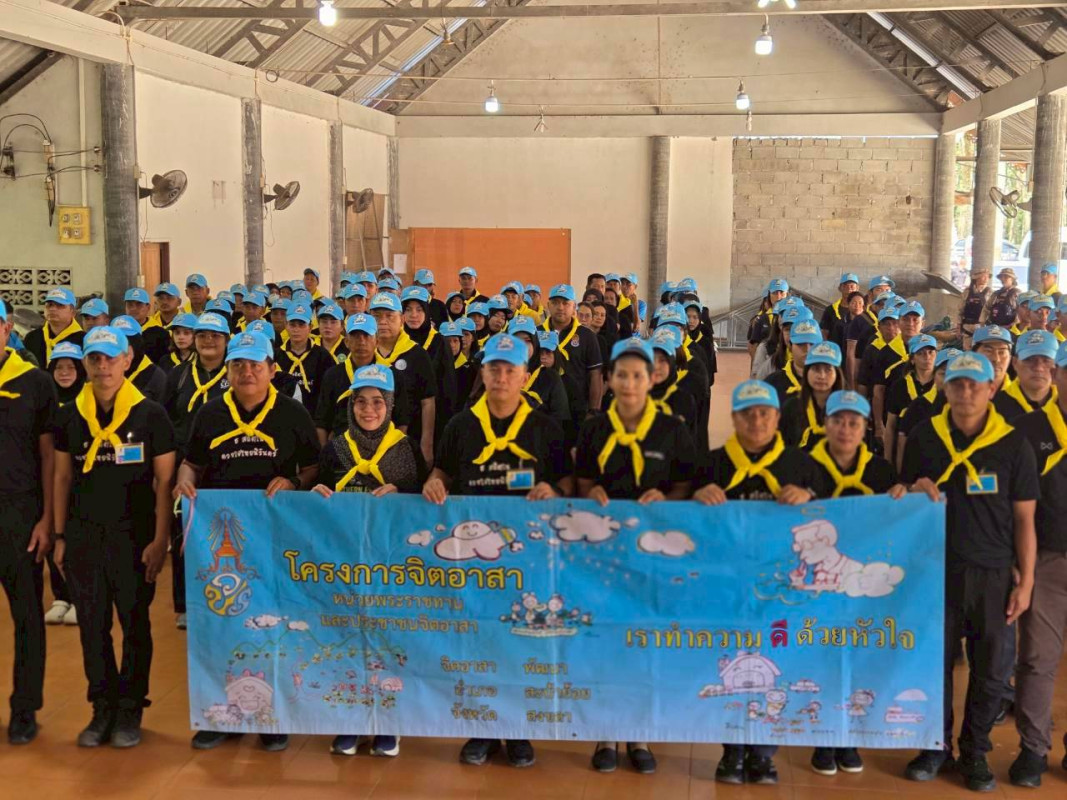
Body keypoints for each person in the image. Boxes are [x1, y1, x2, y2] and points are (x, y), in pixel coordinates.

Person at [423, 333, 572, 770]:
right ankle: (483, 728)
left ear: (525, 376)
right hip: (476, 563)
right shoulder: (460, 426)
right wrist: (434, 483)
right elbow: (442, 471)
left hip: (528, 559)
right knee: (479, 643)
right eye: (494, 369)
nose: (502, 377)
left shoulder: (545, 428)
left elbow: (567, 480)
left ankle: (519, 730)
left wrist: (554, 489)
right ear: (483, 373)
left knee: (522, 645)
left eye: (510, 370)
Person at [893, 351, 1038, 792]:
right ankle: (935, 746)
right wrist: (911, 487)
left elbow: (1025, 519)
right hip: (934, 570)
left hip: (993, 573)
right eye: (957, 383)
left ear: (992, 388)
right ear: (946, 388)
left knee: (990, 669)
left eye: (975, 384)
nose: (966, 391)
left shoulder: (1013, 443)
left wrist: (1027, 579)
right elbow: (902, 493)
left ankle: (975, 750)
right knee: (931, 663)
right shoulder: (925, 436)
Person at [176, 330, 320, 752]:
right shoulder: (210, 413)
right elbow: (190, 464)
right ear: (228, 370)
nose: (247, 372)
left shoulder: (292, 413)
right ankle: (220, 714)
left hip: (275, 536)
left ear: (272, 370)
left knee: (271, 626)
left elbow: (314, 468)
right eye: (238, 364)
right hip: (221, 540)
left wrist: (293, 482)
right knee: (219, 626)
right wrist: (184, 484)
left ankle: (272, 716)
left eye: (256, 364)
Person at [694, 380, 825, 785]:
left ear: (777, 418)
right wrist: (697, 497)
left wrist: (810, 497)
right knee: (732, 665)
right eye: (747, 413)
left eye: (764, 413)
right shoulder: (712, 465)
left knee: (775, 666)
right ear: (733, 419)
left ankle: (764, 754)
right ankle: (731, 751)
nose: (756, 420)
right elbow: (684, 520)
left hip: (781, 590)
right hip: (727, 587)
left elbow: (837, 515)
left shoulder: (801, 464)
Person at [575, 337, 694, 775]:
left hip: (652, 555)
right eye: (621, 375)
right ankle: (606, 733)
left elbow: (687, 485)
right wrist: (593, 492)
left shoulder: (672, 429)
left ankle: (639, 734)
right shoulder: (594, 429)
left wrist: (665, 498)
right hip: (604, 555)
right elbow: (581, 483)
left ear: (651, 379)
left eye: (637, 375)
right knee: (607, 639)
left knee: (644, 641)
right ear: (608, 379)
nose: (629, 383)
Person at [52, 325, 175, 748]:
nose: (102, 366)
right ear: (85, 363)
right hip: (84, 536)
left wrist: (160, 540)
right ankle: (101, 706)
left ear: (127, 360)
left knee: (135, 623)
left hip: (134, 536)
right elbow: (62, 477)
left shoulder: (150, 415)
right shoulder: (71, 415)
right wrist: (59, 536)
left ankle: (130, 708)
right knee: (92, 625)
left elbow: (164, 483)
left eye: (110, 358)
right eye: (94, 358)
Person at [805, 389, 894, 776]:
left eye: (853, 422)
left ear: (866, 427)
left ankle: (849, 738)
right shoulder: (803, 467)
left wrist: (907, 500)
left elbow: (898, 519)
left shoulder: (881, 472)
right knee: (822, 656)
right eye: (837, 420)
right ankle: (823, 737)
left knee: (857, 656)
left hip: (861, 585)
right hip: (819, 585)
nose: (845, 429)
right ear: (825, 425)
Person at [1010, 340, 1067, 786]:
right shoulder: (1027, 427)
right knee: (1036, 656)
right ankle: (1033, 749)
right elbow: (1016, 502)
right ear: (1059, 377)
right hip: (1047, 557)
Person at [0, 301, 56, 745]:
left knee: (27, 615)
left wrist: (46, 518)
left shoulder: (34, 382)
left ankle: (25, 708)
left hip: (18, 515)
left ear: (6, 329)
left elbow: (49, 457)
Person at [161, 312, 231, 630]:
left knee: (224, 533)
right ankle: (186, 603)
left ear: (226, 340)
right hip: (184, 465)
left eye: (215, 336)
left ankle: (228, 594)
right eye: (202, 335)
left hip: (222, 464)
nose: (208, 341)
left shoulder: (236, 372)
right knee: (184, 532)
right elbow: (164, 420)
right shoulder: (177, 376)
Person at [42, 342, 84, 627]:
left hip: (79, 481)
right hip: (49, 479)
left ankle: (80, 597)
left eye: (71, 367)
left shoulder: (88, 401)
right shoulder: (44, 402)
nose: (65, 372)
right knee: (53, 533)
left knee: (76, 539)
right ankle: (61, 596)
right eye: (59, 367)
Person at [370, 293, 437, 467]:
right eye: (376, 316)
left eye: (389, 316)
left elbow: (428, 402)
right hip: (369, 440)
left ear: (401, 319)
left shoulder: (417, 354)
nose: (382, 322)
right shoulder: (364, 353)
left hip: (409, 438)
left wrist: (427, 443)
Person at [542, 284, 604, 422]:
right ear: (548, 305)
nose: (560, 307)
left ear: (574, 306)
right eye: (555, 302)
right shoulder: (536, 332)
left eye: (565, 303)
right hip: (542, 409)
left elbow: (595, 375)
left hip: (577, 410)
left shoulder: (587, 335)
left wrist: (593, 411)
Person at [781, 341, 844, 450]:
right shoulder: (791, 407)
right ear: (806, 372)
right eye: (816, 369)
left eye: (828, 369)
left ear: (837, 374)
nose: (822, 376)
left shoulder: (847, 410)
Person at [885, 334, 937, 463]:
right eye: (921, 353)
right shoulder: (900, 386)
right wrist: (887, 460)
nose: (927, 357)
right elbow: (891, 425)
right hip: (905, 449)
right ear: (912, 359)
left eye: (931, 352)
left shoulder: (943, 385)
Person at [276, 303, 334, 416]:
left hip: (313, 416)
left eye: (301, 325)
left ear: (310, 327)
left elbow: (327, 392)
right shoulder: (276, 355)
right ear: (286, 325)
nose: (296, 329)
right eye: (292, 325)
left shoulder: (323, 356)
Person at [996, 330, 1059, 422]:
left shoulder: (1064, 404)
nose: (1038, 368)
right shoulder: (993, 409)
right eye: (1029, 359)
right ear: (1015, 362)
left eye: (1046, 360)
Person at [648, 327, 699, 438]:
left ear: (672, 363)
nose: (656, 366)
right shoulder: (634, 396)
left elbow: (690, 440)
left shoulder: (684, 400)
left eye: (662, 360)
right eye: (651, 359)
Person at [767, 318, 822, 407]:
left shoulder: (831, 381)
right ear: (790, 346)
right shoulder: (773, 383)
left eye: (812, 344)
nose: (807, 349)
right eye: (801, 344)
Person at [111, 316, 167, 403]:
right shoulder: (102, 371)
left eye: (128, 340)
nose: (123, 346)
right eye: (117, 340)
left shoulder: (156, 377)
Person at [23, 287, 82, 367]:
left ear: (73, 312)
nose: (52, 309)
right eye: (49, 305)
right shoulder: (32, 337)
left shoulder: (83, 340)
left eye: (60, 305)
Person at [123, 288, 169, 363]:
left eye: (139, 304)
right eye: (130, 305)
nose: (134, 308)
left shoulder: (160, 333)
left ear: (148, 307)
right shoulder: (118, 330)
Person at [820, 273, 860, 347]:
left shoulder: (863, 310)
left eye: (852, 286)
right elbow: (824, 332)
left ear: (857, 288)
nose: (849, 289)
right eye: (845, 286)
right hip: (835, 350)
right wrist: (826, 348)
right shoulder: (830, 310)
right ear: (840, 288)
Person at [960, 268, 993, 349]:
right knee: (967, 350)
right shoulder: (967, 292)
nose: (986, 279)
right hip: (967, 326)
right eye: (983, 276)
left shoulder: (990, 292)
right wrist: (958, 326)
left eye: (987, 277)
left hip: (982, 326)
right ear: (977, 278)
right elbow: (960, 310)